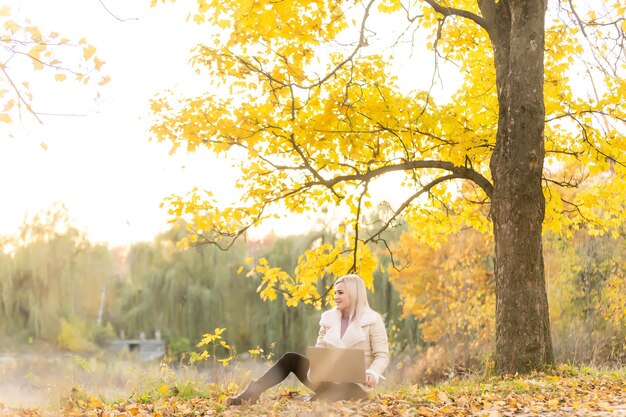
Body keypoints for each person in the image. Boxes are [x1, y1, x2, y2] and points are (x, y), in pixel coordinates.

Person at [226, 273, 389, 405]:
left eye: (340, 293)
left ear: (354, 294)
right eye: (334, 293)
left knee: (345, 389)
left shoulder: (372, 320)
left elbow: (382, 355)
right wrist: (317, 368)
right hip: (327, 380)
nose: (335, 297)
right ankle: (252, 392)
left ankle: (323, 398)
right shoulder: (328, 319)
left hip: (355, 385)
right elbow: (319, 351)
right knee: (291, 358)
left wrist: (372, 372)